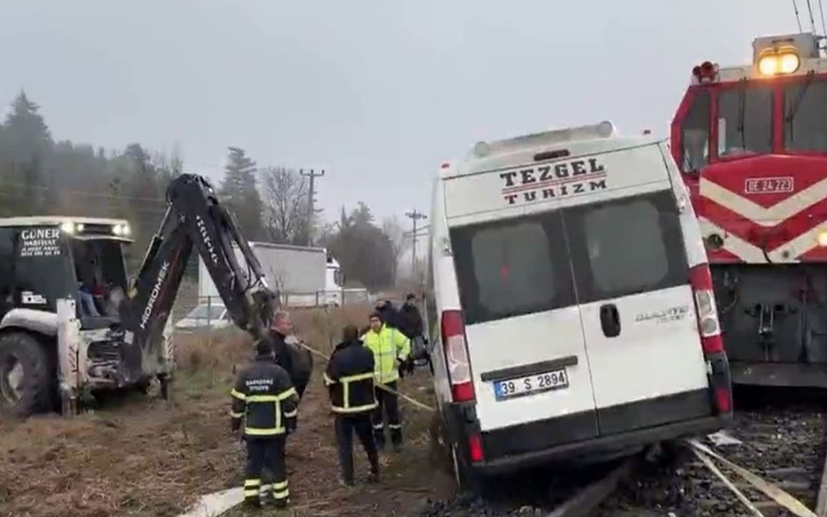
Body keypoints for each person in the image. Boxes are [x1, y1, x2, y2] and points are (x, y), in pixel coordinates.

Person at [231, 339, 299, 510]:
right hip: (275, 429)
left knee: (253, 464)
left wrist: (235, 423)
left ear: (256, 353)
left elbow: (237, 404)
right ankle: (281, 500)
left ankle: (251, 500)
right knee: (277, 463)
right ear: (272, 353)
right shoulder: (279, 373)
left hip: (253, 430)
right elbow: (289, 403)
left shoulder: (245, 374)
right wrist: (292, 423)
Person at [324, 324, 380, 486]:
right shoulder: (368, 353)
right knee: (368, 440)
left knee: (345, 444)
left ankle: (348, 478)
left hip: (344, 409)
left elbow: (329, 380)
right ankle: (375, 470)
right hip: (365, 406)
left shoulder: (339, 357)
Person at [361, 312, 411, 452]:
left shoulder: (392, 334)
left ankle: (397, 440)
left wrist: (400, 359)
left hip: (390, 380)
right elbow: (358, 351)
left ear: (381, 322)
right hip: (375, 382)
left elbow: (407, 343)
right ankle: (379, 441)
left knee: (392, 411)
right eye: (371, 321)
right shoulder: (366, 338)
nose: (374, 324)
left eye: (376, 321)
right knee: (376, 413)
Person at [267, 310, 313, 400]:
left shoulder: (279, 340)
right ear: (280, 324)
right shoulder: (275, 344)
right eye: (288, 324)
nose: (290, 327)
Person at [397, 293, 426, 369]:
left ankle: (414, 360)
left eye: (414, 300)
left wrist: (419, 330)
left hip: (417, 333)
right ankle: (409, 364)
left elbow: (420, 321)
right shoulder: (402, 312)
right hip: (407, 334)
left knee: (419, 349)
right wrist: (408, 332)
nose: (413, 302)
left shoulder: (416, 310)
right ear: (408, 301)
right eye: (411, 300)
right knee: (410, 350)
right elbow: (401, 324)